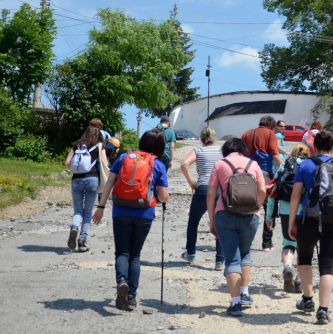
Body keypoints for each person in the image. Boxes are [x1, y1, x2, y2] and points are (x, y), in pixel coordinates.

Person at [92, 130, 170, 312]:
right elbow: (162, 195)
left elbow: (109, 183)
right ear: (160, 147)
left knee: (122, 252)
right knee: (135, 255)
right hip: (144, 213)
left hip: (120, 210)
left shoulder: (124, 158)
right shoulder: (157, 164)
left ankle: (121, 283)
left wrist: (101, 207)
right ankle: (132, 298)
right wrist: (166, 198)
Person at [288, 130, 333, 325]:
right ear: (332, 148)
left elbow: (296, 196)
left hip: (309, 219)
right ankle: (323, 311)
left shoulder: (306, 165)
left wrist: (292, 222)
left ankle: (307, 300)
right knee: (327, 266)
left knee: (305, 258)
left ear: (313, 147)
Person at [207, 138, 267, 316]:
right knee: (245, 252)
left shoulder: (220, 164)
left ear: (225, 150)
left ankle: (235, 304)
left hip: (224, 215)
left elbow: (211, 194)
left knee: (232, 258)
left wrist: (212, 219)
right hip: (250, 216)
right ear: (243, 149)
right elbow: (263, 191)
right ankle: (245, 294)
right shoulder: (253, 164)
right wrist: (256, 209)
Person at [265, 143, 310, 293]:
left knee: (288, 243)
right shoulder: (309, 167)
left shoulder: (283, 166)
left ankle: (287, 267)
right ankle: (298, 278)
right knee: (303, 247)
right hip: (305, 211)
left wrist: (269, 215)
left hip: (285, 210)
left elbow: (273, 192)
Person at [180, 126, 225, 270]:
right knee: (219, 224)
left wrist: (192, 182)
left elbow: (184, 164)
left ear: (201, 138)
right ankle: (219, 260)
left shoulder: (198, 150)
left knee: (193, 222)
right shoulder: (221, 151)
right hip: (217, 189)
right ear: (214, 138)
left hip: (202, 188)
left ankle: (191, 253)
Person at [64, 125, 108, 252]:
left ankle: (74, 227)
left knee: (78, 210)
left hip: (76, 180)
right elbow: (105, 163)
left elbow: (67, 163)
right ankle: (82, 242)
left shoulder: (77, 145)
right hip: (92, 179)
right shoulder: (100, 145)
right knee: (88, 211)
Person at [241, 115, 282, 251]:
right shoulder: (270, 133)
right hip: (265, 175)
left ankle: (244, 240)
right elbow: (275, 155)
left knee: (247, 208)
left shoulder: (246, 133)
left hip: (247, 174)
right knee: (269, 209)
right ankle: (267, 242)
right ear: (271, 125)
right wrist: (287, 167)